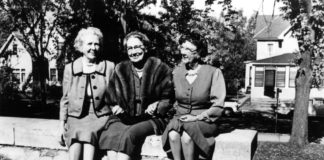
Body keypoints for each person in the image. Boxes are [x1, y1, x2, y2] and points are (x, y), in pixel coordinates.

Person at [99, 31, 173, 160]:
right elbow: (110, 97)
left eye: (137, 47)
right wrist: (115, 106)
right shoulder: (120, 69)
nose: (133, 52)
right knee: (111, 134)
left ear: (145, 47)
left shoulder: (161, 68)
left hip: (151, 118)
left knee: (130, 134)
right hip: (125, 117)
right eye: (130, 48)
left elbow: (169, 98)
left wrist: (158, 104)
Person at [162, 32, 226, 160]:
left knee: (186, 137)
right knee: (173, 135)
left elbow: (218, 105)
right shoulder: (177, 72)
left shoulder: (213, 72)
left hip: (204, 120)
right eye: (182, 47)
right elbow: (168, 98)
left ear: (198, 52)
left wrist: (197, 117)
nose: (183, 52)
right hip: (180, 118)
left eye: (188, 49)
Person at [59, 27, 115, 160]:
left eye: (96, 44)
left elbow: (115, 96)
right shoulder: (70, 68)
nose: (93, 48)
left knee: (89, 134)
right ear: (81, 46)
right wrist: (61, 126)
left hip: (100, 116)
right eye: (89, 44)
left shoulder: (109, 67)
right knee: (74, 140)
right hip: (75, 117)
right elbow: (65, 98)